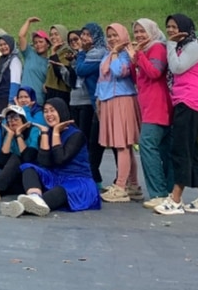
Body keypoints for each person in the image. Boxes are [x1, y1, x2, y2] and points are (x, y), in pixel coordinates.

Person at [0, 98, 100, 217]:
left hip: (77, 180)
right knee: (28, 167)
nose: (48, 114)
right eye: (46, 111)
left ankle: (22, 207)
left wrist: (56, 133)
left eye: (52, 110)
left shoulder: (76, 135)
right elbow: (44, 163)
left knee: (61, 190)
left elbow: (60, 159)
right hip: (56, 177)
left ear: (61, 112)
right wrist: (44, 134)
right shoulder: (47, 132)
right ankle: (34, 197)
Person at [154, 14, 198, 216]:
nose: (170, 30)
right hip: (183, 103)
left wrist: (170, 44)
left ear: (186, 28)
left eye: (175, 26)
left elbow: (177, 67)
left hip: (191, 104)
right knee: (191, 152)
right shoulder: (180, 48)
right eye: (168, 26)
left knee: (180, 151)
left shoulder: (193, 47)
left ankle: (176, 199)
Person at [128, 18, 173, 209]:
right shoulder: (145, 50)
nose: (139, 35)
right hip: (148, 106)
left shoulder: (157, 48)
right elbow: (136, 77)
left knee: (147, 145)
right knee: (163, 149)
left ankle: (159, 193)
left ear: (152, 31)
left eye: (142, 31)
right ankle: (169, 192)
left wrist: (138, 54)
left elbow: (155, 72)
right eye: (136, 32)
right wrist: (134, 59)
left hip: (158, 105)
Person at [97, 24, 141, 203]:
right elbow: (102, 78)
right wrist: (98, 99)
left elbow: (119, 72)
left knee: (123, 144)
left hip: (122, 100)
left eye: (115, 35)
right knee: (123, 146)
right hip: (109, 100)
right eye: (109, 36)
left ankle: (121, 187)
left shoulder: (126, 55)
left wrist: (115, 52)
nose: (112, 39)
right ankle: (133, 185)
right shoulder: (108, 54)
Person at [74, 22, 107, 186]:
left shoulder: (98, 54)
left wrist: (80, 52)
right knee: (94, 144)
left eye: (89, 35)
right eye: (83, 34)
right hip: (96, 103)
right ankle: (95, 179)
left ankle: (122, 181)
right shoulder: (91, 54)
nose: (84, 38)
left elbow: (80, 70)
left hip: (103, 102)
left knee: (99, 144)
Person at [18, 16, 50, 105]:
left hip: (39, 100)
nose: (38, 44)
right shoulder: (29, 54)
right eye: (35, 42)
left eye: (41, 42)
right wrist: (28, 21)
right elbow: (21, 36)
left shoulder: (50, 62)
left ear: (48, 44)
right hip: (23, 99)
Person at [0, 35, 22, 115]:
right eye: (0, 45)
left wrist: (11, 102)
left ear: (11, 44)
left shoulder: (14, 60)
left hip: (8, 98)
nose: (2, 47)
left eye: (5, 44)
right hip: (0, 97)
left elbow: (15, 83)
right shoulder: (2, 59)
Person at [43, 24, 72, 103]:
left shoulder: (67, 52)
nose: (53, 37)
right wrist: (47, 83)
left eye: (56, 34)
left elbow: (59, 72)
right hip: (51, 91)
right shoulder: (58, 52)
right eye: (51, 35)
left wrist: (53, 53)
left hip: (61, 93)